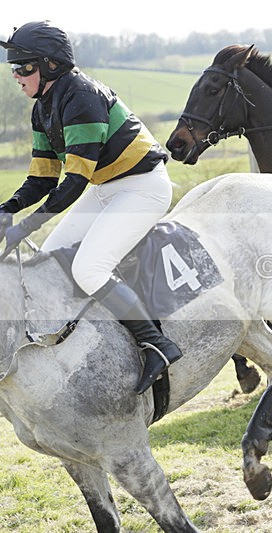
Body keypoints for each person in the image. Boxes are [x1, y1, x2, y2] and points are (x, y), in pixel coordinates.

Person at [0, 21, 181, 394]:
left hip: (142, 188)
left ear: (49, 66)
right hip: (106, 190)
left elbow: (74, 182)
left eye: (22, 67)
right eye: (13, 68)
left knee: (89, 267)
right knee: (48, 263)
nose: (16, 76)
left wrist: (25, 227)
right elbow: (43, 179)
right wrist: (8, 209)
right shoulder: (43, 108)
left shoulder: (81, 97)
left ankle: (157, 345)